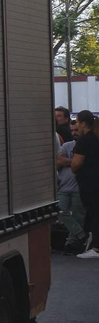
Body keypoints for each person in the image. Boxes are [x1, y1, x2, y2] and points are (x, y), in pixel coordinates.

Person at [71, 110, 99, 259]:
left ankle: (96, 248)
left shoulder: (84, 141)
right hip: (95, 180)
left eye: (77, 122)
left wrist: (68, 163)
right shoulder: (95, 138)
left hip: (89, 182)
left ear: (82, 123)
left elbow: (76, 164)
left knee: (94, 212)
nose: (76, 125)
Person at [56, 131, 87, 254]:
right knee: (60, 210)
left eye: (77, 130)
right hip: (63, 186)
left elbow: (66, 161)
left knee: (78, 215)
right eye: (73, 130)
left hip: (79, 187)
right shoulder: (66, 145)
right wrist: (76, 161)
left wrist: (68, 161)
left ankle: (72, 243)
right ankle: (82, 235)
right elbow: (59, 161)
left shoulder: (86, 145)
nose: (75, 132)